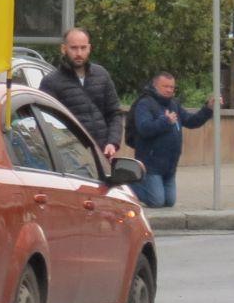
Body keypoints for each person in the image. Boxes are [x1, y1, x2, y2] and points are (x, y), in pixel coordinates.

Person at [127, 71, 213, 210]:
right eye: (165, 86)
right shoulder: (145, 103)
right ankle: (127, 185)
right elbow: (144, 128)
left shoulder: (174, 104)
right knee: (157, 201)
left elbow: (191, 121)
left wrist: (208, 109)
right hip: (151, 164)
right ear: (155, 86)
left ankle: (148, 186)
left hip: (169, 165)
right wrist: (165, 121)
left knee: (169, 202)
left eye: (172, 87)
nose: (169, 90)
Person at [41, 27, 123, 159]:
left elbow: (114, 113)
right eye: (74, 48)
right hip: (71, 159)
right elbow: (47, 122)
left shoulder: (101, 75)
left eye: (83, 48)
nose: (79, 53)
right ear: (64, 49)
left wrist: (112, 142)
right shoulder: (51, 82)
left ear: (89, 48)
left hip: (103, 154)